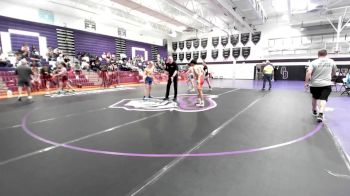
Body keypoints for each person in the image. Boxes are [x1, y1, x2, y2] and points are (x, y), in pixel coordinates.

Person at [305, 49, 337, 122]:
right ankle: (321, 114)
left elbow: (308, 72)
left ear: (318, 55)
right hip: (326, 84)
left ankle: (314, 110)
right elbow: (334, 73)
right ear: (326, 54)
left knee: (314, 97)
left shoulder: (313, 62)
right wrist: (330, 77)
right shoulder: (331, 61)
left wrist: (306, 82)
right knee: (323, 99)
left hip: (315, 84)